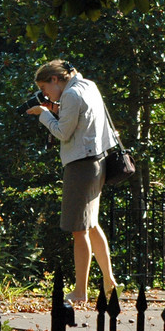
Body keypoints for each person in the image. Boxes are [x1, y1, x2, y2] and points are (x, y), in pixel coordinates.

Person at [26, 59, 119, 303]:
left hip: (81, 165)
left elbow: (62, 133)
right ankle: (109, 282)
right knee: (92, 225)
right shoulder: (88, 85)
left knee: (79, 230)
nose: (45, 94)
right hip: (98, 161)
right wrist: (55, 110)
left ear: (55, 79)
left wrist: (45, 115)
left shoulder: (71, 96)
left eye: (45, 88)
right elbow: (80, 122)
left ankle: (80, 292)